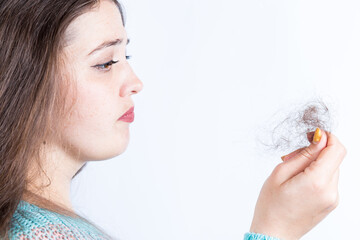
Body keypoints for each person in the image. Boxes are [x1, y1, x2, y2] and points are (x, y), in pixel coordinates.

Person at [0, 0, 347, 239]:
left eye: (126, 55)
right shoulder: (40, 234)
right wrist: (276, 229)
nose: (135, 82)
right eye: (105, 62)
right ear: (24, 80)